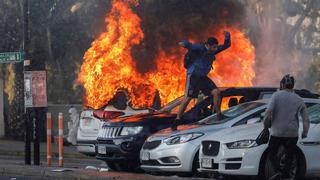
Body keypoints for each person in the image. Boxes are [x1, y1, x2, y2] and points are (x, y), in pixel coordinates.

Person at [172, 31, 231, 130]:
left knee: (216, 92)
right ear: (208, 45)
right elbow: (190, 46)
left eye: (216, 47)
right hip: (194, 76)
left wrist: (227, 37)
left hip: (203, 77)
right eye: (214, 47)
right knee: (188, 98)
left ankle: (218, 115)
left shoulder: (213, 50)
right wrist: (184, 43)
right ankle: (177, 120)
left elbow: (226, 46)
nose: (216, 49)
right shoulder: (199, 48)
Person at [263, 74, 310, 180]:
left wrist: (266, 125)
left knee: (271, 153)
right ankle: (285, 175)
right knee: (289, 156)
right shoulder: (298, 99)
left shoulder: (276, 96)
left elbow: (268, 112)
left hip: (277, 132)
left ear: (282, 84)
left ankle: (278, 170)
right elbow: (306, 118)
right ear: (292, 85)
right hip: (292, 133)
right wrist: (305, 132)